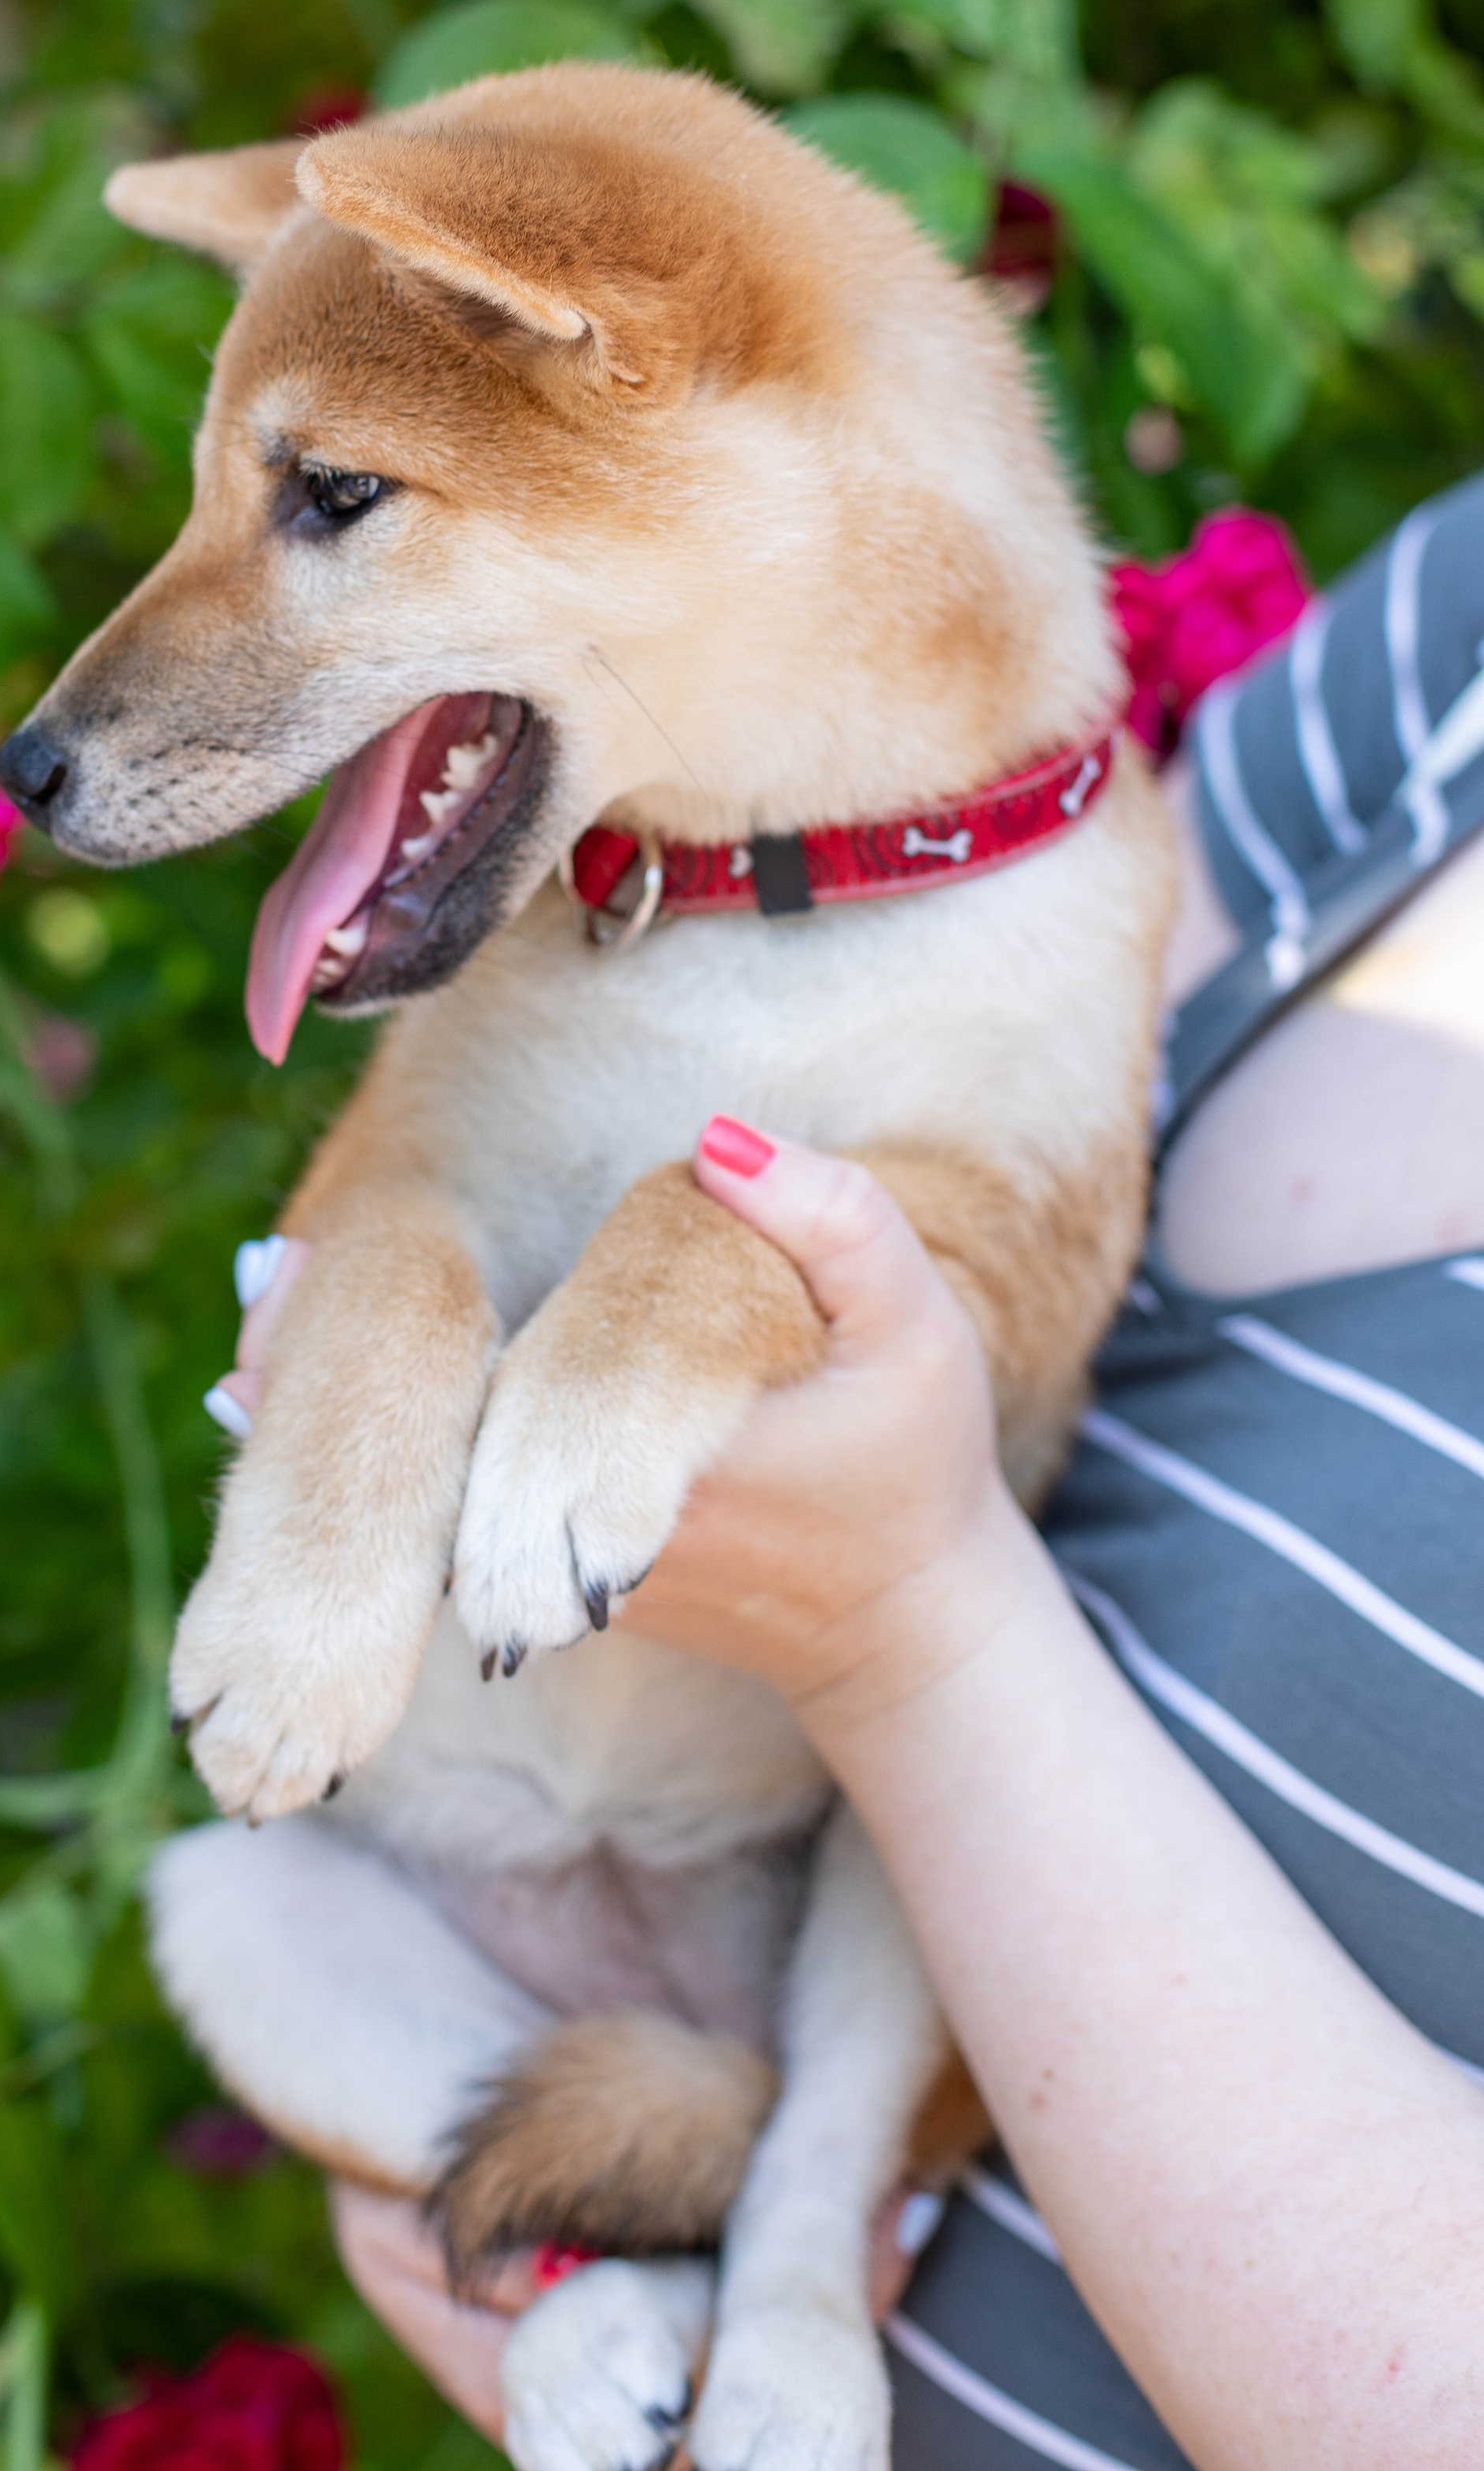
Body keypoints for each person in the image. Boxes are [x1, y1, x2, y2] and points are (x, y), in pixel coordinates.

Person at [224, 478, 1484, 2469]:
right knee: (229, 1912)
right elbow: (978, 1074)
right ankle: (633, 2295)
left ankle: (796, 2252)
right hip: (573, 1938)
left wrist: (900, 1626)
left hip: (836, 1988)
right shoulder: (1461, 618)